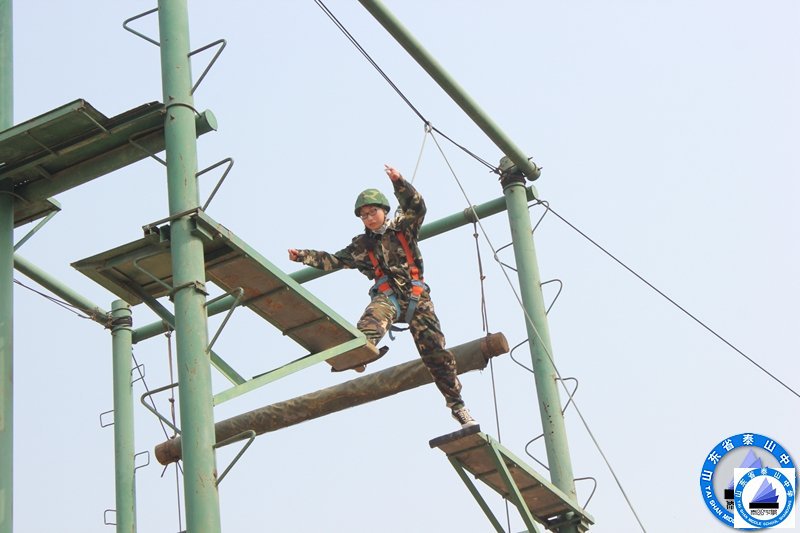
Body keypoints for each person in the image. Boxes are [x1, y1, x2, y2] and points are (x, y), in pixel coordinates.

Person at [288, 164, 477, 429]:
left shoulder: (403, 228)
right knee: (371, 322)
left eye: (372, 212)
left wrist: (399, 182)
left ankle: (457, 406)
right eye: (363, 215)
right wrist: (303, 256)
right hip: (389, 297)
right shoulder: (362, 245)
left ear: (384, 210)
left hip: (417, 298)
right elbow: (333, 260)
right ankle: (359, 354)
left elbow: (417, 207)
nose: (369, 218)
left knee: (436, 353)